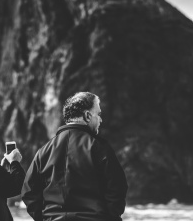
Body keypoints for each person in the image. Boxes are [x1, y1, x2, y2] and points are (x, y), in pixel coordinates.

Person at [21, 92, 128, 221]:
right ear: (87, 116)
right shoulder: (99, 147)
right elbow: (117, 188)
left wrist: (43, 218)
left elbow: (28, 192)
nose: (101, 119)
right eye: (98, 114)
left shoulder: (44, 151)